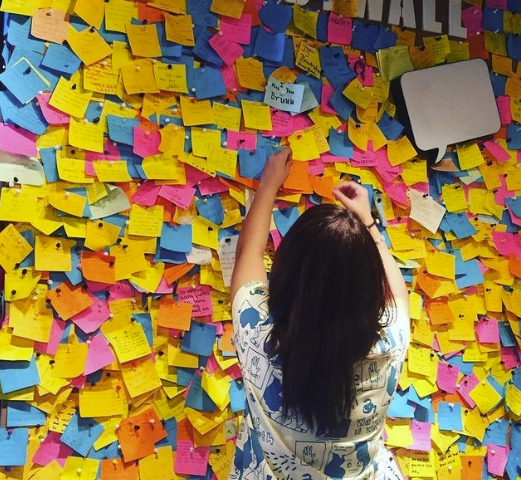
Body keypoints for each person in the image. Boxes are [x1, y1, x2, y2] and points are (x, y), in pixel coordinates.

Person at [229, 146, 410, 480]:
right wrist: (368, 223)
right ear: (370, 289)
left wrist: (268, 183)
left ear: (285, 273)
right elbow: (398, 292)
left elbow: (246, 255)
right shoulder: (392, 343)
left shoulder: (257, 336)